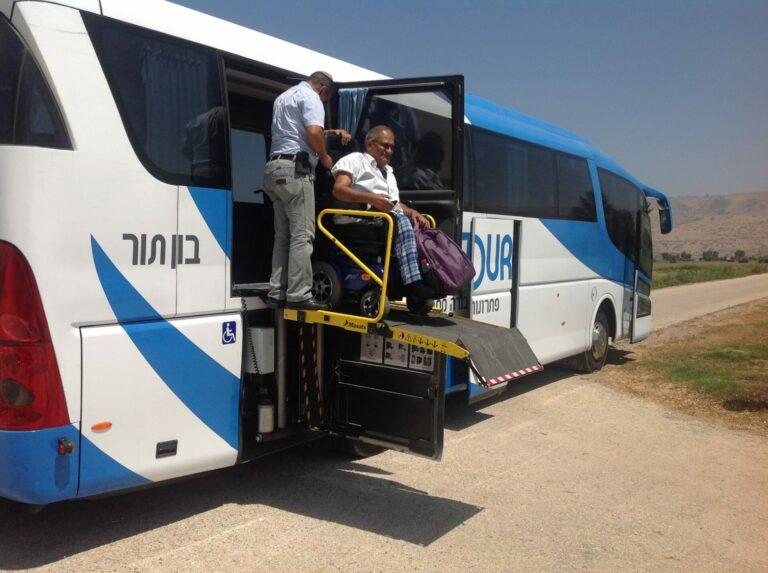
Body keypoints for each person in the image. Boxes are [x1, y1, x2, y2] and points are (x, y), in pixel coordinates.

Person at [263, 71, 351, 310]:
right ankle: (299, 294)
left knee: (283, 237)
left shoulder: (284, 97)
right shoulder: (311, 98)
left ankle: (277, 292)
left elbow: (297, 131)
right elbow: (312, 132)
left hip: (273, 169)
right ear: (323, 89)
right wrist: (323, 156)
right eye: (326, 98)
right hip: (295, 171)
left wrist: (332, 133)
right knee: (303, 235)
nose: (324, 102)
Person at [331, 125, 431, 297]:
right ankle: (413, 283)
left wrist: (414, 213)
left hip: (383, 219)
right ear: (370, 144)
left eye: (392, 147)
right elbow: (338, 189)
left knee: (420, 225)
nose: (390, 150)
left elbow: (395, 205)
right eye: (385, 145)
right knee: (400, 222)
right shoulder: (355, 160)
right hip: (356, 218)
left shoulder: (389, 172)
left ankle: (426, 277)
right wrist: (370, 198)